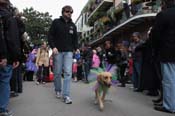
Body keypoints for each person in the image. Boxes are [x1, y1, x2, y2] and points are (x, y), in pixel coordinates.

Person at [48, 5, 78, 104]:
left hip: (69, 51)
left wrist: (76, 48)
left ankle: (66, 95)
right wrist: (53, 47)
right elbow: (50, 35)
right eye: (67, 11)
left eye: (71, 12)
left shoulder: (73, 25)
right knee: (57, 72)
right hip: (58, 51)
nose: (69, 13)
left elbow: (75, 39)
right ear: (63, 12)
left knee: (68, 72)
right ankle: (58, 90)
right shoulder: (56, 22)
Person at [151, 0, 175, 113]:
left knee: (169, 80)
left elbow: (155, 34)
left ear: (165, 3)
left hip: (168, 52)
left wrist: (155, 49)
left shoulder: (164, 14)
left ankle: (170, 106)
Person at [0, 0, 21, 115]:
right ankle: (2, 109)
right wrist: (16, 57)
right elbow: (12, 39)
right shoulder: (9, 17)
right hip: (5, 55)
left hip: (5, 54)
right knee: (4, 81)